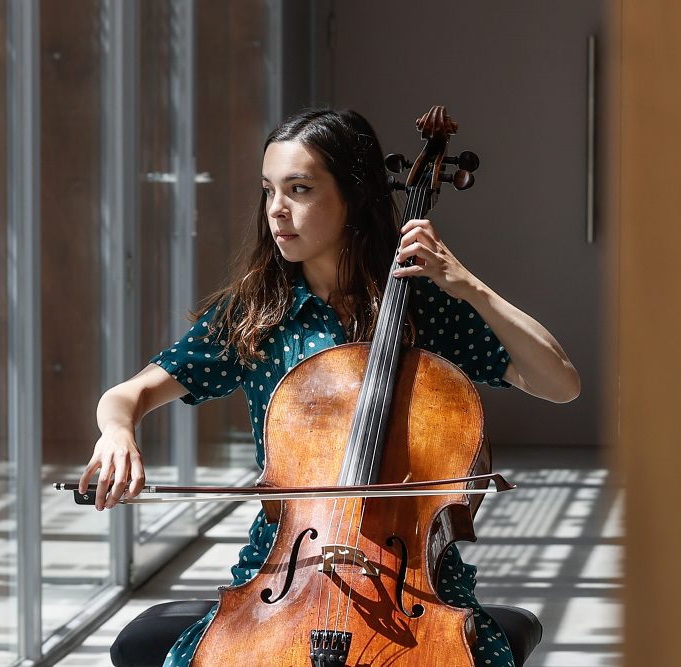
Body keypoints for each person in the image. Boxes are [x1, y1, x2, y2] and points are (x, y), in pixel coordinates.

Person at [78, 108, 580, 667]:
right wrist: (116, 433)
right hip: (281, 574)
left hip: (414, 587)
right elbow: (128, 394)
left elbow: (559, 382)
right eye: (269, 190)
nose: (277, 210)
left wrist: (470, 288)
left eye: (300, 189)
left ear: (355, 197)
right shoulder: (257, 315)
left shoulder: (425, 311)